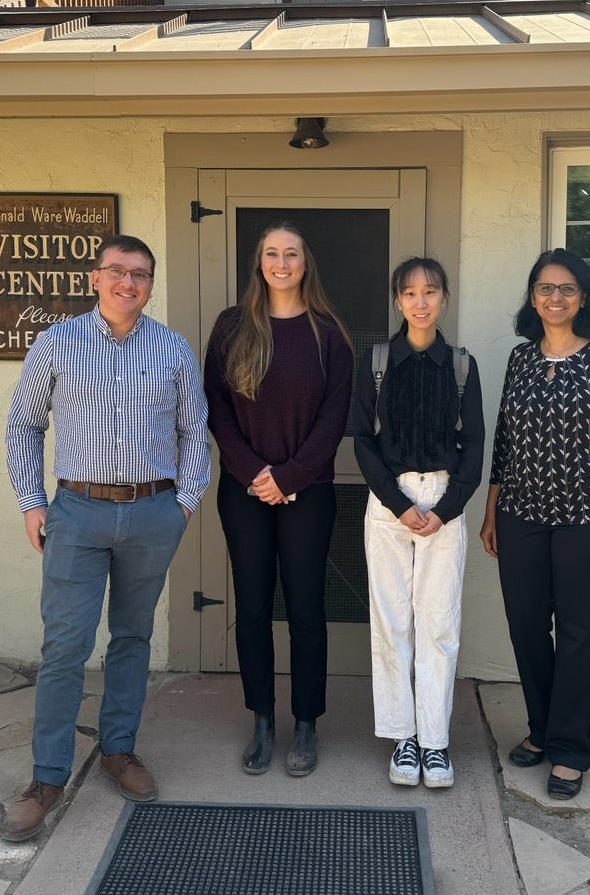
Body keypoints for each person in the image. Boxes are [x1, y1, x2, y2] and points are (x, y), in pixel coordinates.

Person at [3, 234, 210, 840]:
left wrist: (185, 504)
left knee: (132, 635)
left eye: (141, 274)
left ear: (151, 283)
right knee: (65, 645)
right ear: (95, 278)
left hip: (152, 513)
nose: (129, 283)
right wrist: (31, 502)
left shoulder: (172, 349)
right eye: (117, 271)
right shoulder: (57, 343)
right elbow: (24, 423)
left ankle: (119, 750)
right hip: (77, 512)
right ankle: (46, 777)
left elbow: (195, 431)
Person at [480, 248, 590, 801]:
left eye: (567, 289)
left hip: (585, 520)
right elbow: (504, 441)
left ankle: (570, 750)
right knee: (525, 626)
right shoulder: (522, 360)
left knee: (575, 633)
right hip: (520, 515)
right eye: (545, 288)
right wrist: (491, 509)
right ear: (532, 297)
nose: (555, 297)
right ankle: (542, 729)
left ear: (584, 297)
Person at [204, 221, 353, 777]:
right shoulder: (232, 326)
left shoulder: (328, 333)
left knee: (307, 611)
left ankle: (307, 723)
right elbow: (215, 407)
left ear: (305, 262)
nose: (282, 263)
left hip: (307, 493)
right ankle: (262, 721)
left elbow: (334, 417)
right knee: (252, 609)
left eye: (292, 253)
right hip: (243, 492)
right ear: (259, 263)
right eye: (272, 253)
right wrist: (254, 473)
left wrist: (288, 476)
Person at [354, 256, 484, 788]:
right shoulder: (379, 361)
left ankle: (435, 741)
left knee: (438, 624)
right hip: (389, 501)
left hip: (444, 501)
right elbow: (362, 439)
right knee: (392, 622)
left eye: (431, 291)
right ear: (397, 301)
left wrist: (447, 508)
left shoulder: (461, 365)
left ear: (445, 298)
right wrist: (397, 503)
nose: (421, 301)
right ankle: (402, 738)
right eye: (410, 293)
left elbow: (474, 443)